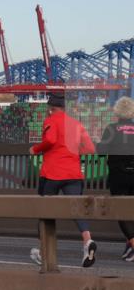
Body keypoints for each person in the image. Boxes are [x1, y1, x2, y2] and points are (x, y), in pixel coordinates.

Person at [29, 92, 98, 268]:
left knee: (45, 211)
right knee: (77, 209)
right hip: (73, 173)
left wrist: (35, 149)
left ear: (51, 109)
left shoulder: (51, 120)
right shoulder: (76, 123)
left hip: (52, 173)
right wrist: (72, 153)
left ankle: (43, 251)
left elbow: (50, 139)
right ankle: (87, 241)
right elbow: (90, 148)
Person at [96, 96, 134, 262]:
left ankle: (133, 244)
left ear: (117, 112)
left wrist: (98, 144)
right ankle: (129, 247)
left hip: (119, 175)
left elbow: (101, 151)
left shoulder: (112, 129)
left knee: (120, 209)